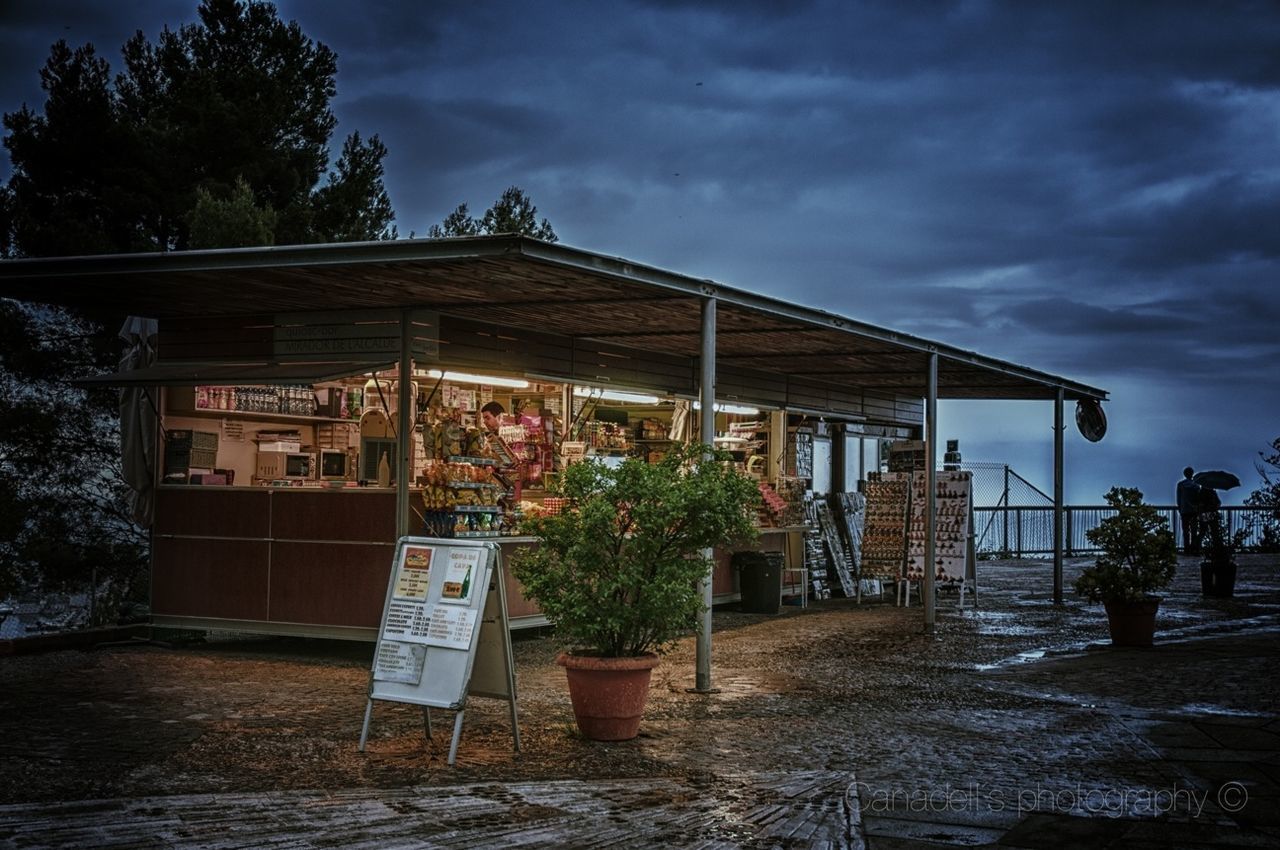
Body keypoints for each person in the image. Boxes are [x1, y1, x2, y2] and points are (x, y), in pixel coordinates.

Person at [1176, 467, 1202, 554]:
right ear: (1192, 473)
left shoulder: (1181, 485)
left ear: (1184, 474)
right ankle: (1193, 549)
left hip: (1184, 510)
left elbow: (1178, 499)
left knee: (1186, 531)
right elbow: (1199, 499)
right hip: (1194, 511)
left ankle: (1186, 549)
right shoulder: (1196, 485)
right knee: (1194, 531)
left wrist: (1180, 509)